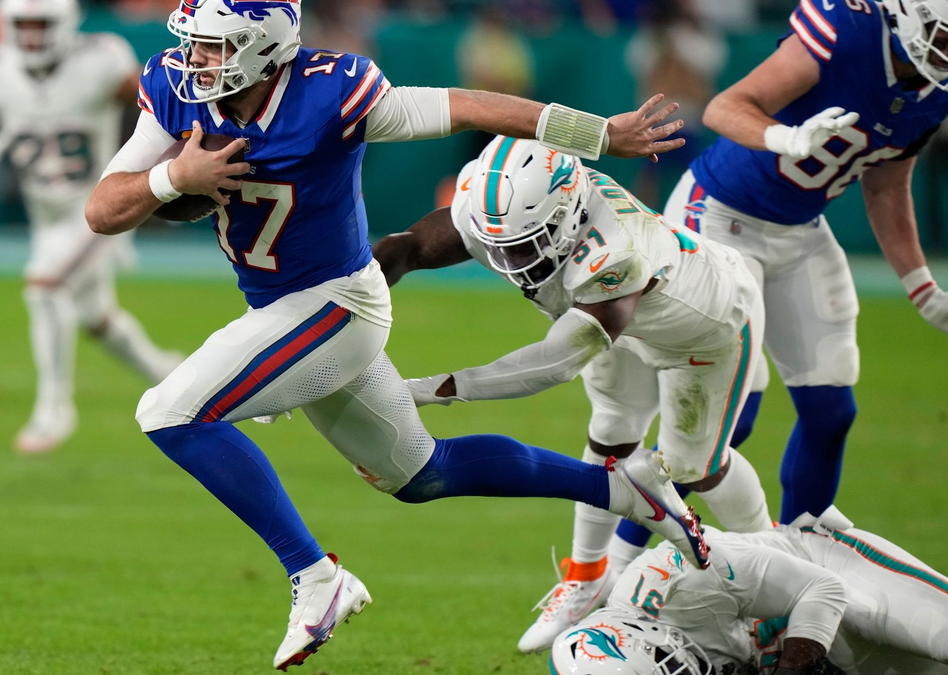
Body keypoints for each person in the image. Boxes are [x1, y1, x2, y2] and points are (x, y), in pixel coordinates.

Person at [84, 0, 705, 669]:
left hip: (337, 303)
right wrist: (173, 176)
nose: (196, 60)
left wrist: (600, 134)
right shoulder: (177, 92)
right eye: (197, 44)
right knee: (422, 473)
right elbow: (103, 209)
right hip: (281, 307)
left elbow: (467, 105)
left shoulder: (331, 92)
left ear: (262, 47)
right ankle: (621, 488)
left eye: (214, 47)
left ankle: (316, 575)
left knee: (170, 411)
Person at [375, 138, 772, 654]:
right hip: (619, 320)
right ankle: (586, 577)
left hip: (705, 328)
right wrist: (337, 321)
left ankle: (776, 562)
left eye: (523, 242)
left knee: (693, 467)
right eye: (498, 241)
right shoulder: (498, 211)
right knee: (610, 432)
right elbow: (402, 250)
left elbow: (554, 363)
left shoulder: (615, 251)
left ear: (568, 214)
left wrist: (428, 391)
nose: (506, 257)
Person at [654, 0, 948, 533]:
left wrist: (921, 286)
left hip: (799, 230)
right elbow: (725, 107)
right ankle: (615, 565)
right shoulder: (848, 33)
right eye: (943, 36)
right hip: (718, 213)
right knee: (729, 419)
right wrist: (784, 138)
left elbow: (886, 187)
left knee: (832, 413)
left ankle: (796, 570)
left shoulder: (935, 91)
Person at [0, 0, 183, 454]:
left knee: (45, 283)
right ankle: (169, 372)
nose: (33, 37)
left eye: (42, 25)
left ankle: (54, 407)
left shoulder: (99, 62)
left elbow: (157, 107)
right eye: (24, 25)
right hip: (48, 214)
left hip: (96, 204)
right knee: (95, 317)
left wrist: (158, 170)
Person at [551, 503, 948, 675]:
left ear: (651, 639)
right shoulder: (654, 649)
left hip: (834, 573)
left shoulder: (681, 578)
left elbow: (823, 589)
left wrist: (794, 666)